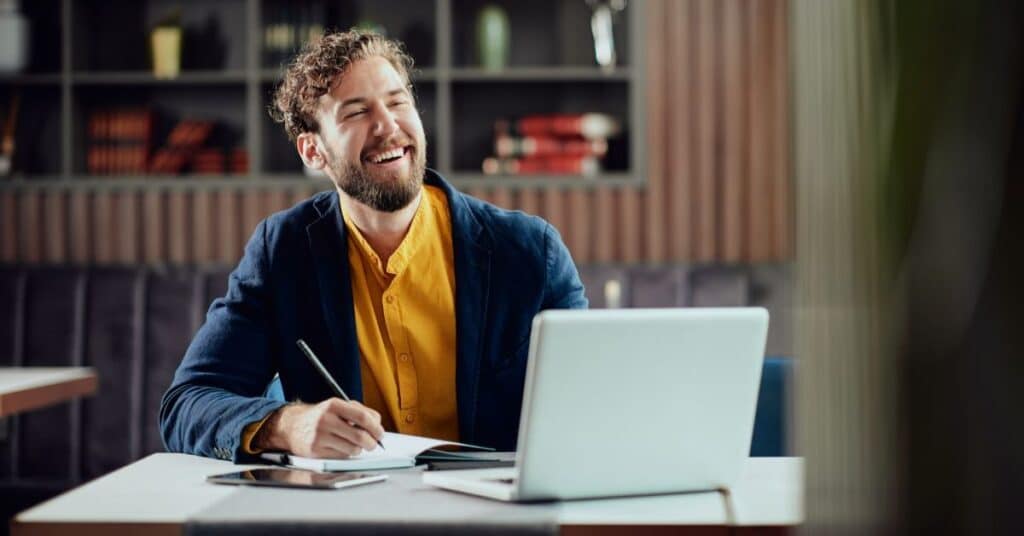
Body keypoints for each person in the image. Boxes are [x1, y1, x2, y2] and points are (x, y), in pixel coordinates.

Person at [159, 30, 587, 463]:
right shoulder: (283, 251)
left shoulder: (531, 251)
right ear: (313, 151)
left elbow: (592, 408)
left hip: (497, 513)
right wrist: (288, 425)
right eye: (357, 112)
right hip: (348, 514)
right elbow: (186, 405)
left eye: (398, 102)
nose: (387, 125)